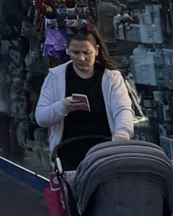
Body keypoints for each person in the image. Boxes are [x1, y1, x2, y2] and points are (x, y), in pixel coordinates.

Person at [35, 24, 133, 171]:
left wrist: (122, 133)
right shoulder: (56, 77)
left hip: (105, 153)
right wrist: (63, 106)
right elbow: (41, 117)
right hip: (68, 155)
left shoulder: (111, 78)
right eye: (75, 52)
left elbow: (123, 109)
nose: (81, 58)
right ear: (67, 51)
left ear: (96, 51)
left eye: (87, 53)